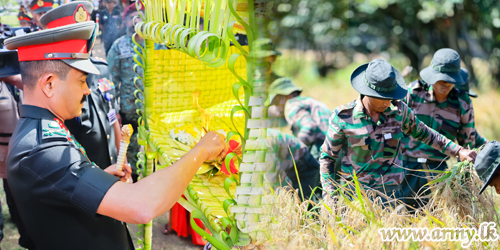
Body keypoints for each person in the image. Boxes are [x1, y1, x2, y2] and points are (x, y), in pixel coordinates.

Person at [5, 21, 227, 249]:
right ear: (49, 85)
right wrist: (199, 151)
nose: (87, 90)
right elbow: (142, 205)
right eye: (81, 81)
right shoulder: (42, 150)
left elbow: (59, 193)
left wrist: (96, 180)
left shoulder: (42, 130)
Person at [319, 59, 477, 204]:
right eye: (383, 98)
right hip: (355, 198)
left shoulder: (399, 111)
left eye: (391, 97)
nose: (388, 103)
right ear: (367, 92)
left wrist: (458, 150)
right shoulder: (343, 117)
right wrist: (330, 196)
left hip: (392, 197)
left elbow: (428, 135)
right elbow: (327, 158)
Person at [40, 1, 123, 176]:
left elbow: (112, 117)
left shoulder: (102, 69)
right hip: (84, 182)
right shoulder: (56, 84)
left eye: (85, 34)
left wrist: (122, 161)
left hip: (112, 170)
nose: (81, 45)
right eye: (73, 37)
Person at [400, 48, 486, 209]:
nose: (446, 83)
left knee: (434, 222)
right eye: (441, 79)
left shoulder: (462, 102)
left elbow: (467, 146)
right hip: (405, 167)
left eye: (450, 79)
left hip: (437, 171)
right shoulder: (412, 93)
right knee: (401, 219)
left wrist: (466, 185)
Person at [107, 3, 143, 179]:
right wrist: (114, 112)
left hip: (156, 111)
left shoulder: (157, 46)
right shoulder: (118, 46)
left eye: (140, 15)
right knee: (132, 153)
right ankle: (135, 183)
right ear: (125, 21)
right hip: (130, 111)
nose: (137, 20)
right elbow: (110, 82)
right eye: (132, 17)